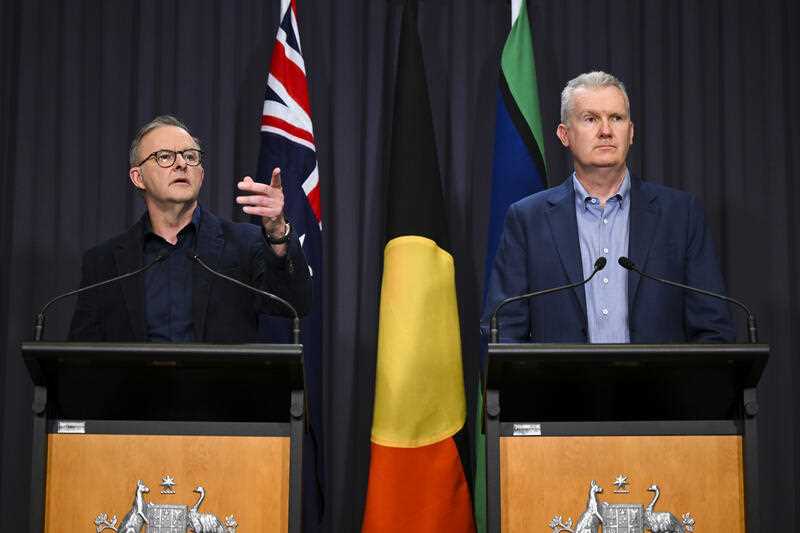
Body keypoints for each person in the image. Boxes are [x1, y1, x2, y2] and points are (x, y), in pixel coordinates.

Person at [485, 71, 735, 343]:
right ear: (564, 135)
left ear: (630, 132)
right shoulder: (527, 220)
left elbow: (713, 329)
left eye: (616, 118)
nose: (605, 131)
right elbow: (503, 331)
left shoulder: (680, 215)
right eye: (590, 119)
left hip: (660, 385)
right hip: (559, 385)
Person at [69, 115, 311, 342]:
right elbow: (81, 357)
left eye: (190, 156)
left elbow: (295, 302)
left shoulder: (244, 244)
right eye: (164, 156)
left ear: (201, 175)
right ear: (137, 177)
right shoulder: (104, 263)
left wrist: (278, 232)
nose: (181, 164)